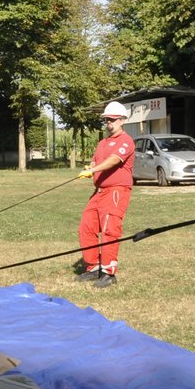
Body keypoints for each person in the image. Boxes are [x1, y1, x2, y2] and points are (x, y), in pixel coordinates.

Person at [75, 101, 135, 288]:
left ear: (122, 120)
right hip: (98, 192)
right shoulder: (102, 143)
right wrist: (90, 169)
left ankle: (109, 272)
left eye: (112, 120)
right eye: (106, 120)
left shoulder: (126, 141)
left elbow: (113, 161)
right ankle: (93, 267)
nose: (109, 123)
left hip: (116, 191)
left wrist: (94, 171)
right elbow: (96, 162)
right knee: (86, 227)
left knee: (110, 230)